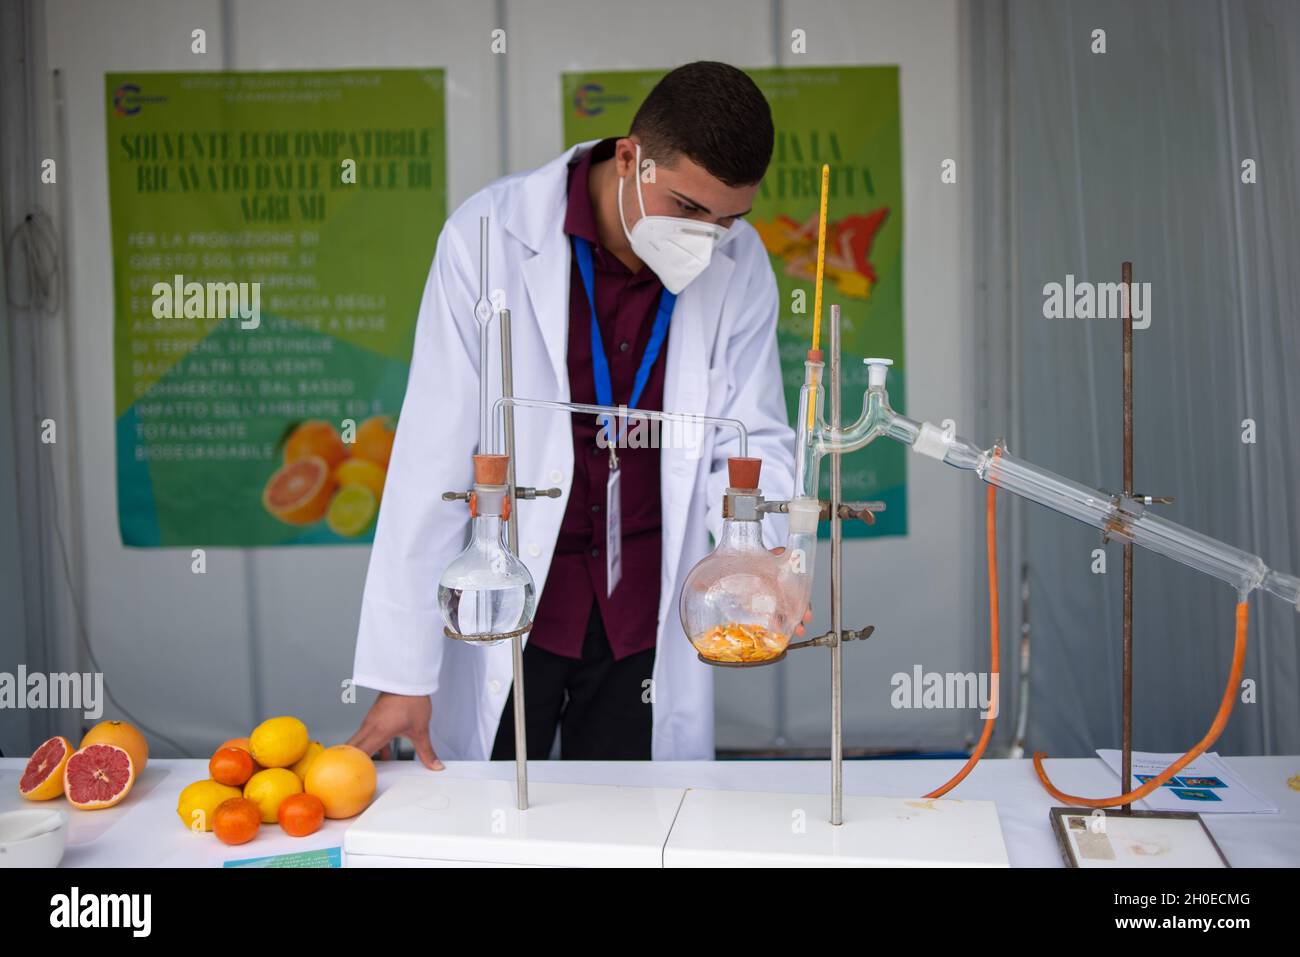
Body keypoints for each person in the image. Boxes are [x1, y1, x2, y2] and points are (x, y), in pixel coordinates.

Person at [348, 61, 795, 766]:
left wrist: (767, 555)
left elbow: (755, 431)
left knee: (627, 832)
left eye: (729, 219)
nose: (708, 238)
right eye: (687, 208)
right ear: (630, 157)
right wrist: (404, 673)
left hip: (640, 622)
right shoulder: (488, 238)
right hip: (514, 605)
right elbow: (431, 457)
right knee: (484, 820)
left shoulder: (741, 265)